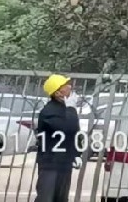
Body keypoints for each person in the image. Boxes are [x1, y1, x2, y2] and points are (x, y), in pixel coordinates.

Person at [34, 73, 81, 202]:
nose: (69, 87)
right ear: (57, 93)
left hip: (64, 163)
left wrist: (76, 154)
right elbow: (68, 128)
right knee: (46, 198)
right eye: (65, 86)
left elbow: (73, 134)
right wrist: (71, 108)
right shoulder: (49, 111)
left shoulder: (63, 109)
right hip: (51, 164)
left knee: (61, 198)